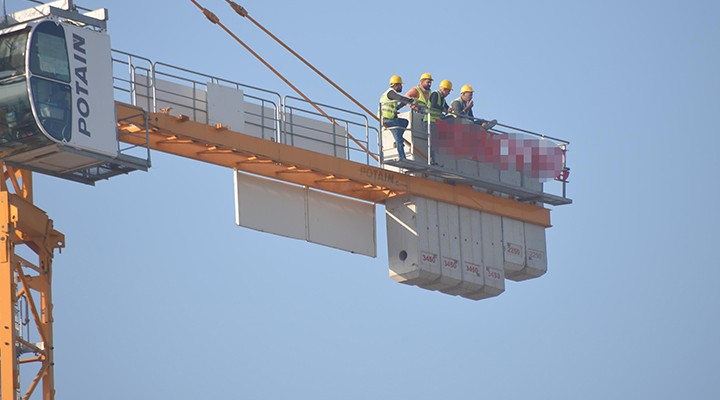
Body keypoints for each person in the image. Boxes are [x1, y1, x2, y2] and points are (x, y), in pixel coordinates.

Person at [379, 75, 416, 160]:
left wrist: (399, 107)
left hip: (391, 119)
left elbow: (397, 104)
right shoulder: (390, 93)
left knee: (404, 122)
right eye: (400, 85)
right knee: (399, 138)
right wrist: (411, 101)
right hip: (387, 120)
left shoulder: (391, 94)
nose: (401, 87)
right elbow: (400, 98)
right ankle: (402, 157)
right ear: (396, 85)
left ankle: (398, 139)